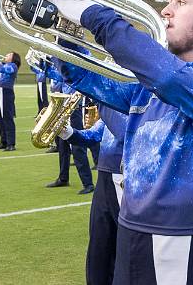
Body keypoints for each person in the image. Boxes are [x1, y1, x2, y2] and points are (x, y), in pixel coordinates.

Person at [44, 0, 193, 284]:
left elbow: (171, 77)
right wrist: (65, 29)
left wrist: (97, 15)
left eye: (182, 1)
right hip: (134, 230)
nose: (166, 10)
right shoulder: (149, 84)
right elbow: (87, 77)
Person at [59, 104, 127, 284]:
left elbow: (123, 132)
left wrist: (102, 99)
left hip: (126, 181)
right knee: (99, 243)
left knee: (125, 246)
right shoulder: (112, 106)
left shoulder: (135, 104)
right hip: (104, 180)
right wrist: (66, 131)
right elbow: (92, 136)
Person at [45, 81, 96, 195]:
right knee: (62, 146)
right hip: (64, 105)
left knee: (77, 147)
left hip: (76, 107)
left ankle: (88, 183)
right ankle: (63, 178)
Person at [0, 51, 20, 151]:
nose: (6, 55)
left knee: (7, 117)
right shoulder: (4, 65)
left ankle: (11, 143)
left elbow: (3, 69)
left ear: (13, 58)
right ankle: (3, 141)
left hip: (6, 92)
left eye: (8, 55)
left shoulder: (13, 66)